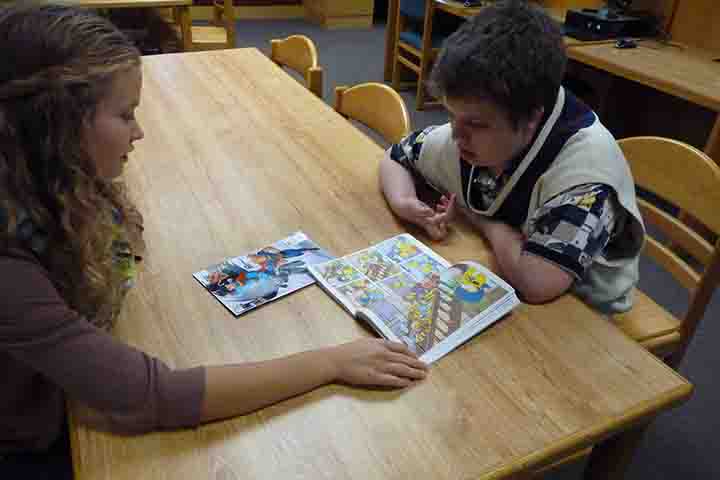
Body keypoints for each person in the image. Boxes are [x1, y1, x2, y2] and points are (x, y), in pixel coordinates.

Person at [0, 3, 427, 475]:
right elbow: (153, 396)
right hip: (28, 439)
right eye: (126, 116)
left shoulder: (43, 184)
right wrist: (330, 363)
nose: (139, 132)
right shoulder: (10, 267)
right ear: (57, 130)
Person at [380, 0, 645, 313]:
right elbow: (397, 156)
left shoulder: (586, 180)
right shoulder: (490, 118)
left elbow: (536, 284)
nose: (455, 135)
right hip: (510, 278)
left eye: (475, 124)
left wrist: (486, 223)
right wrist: (404, 203)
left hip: (585, 313)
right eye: (452, 116)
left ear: (532, 118)